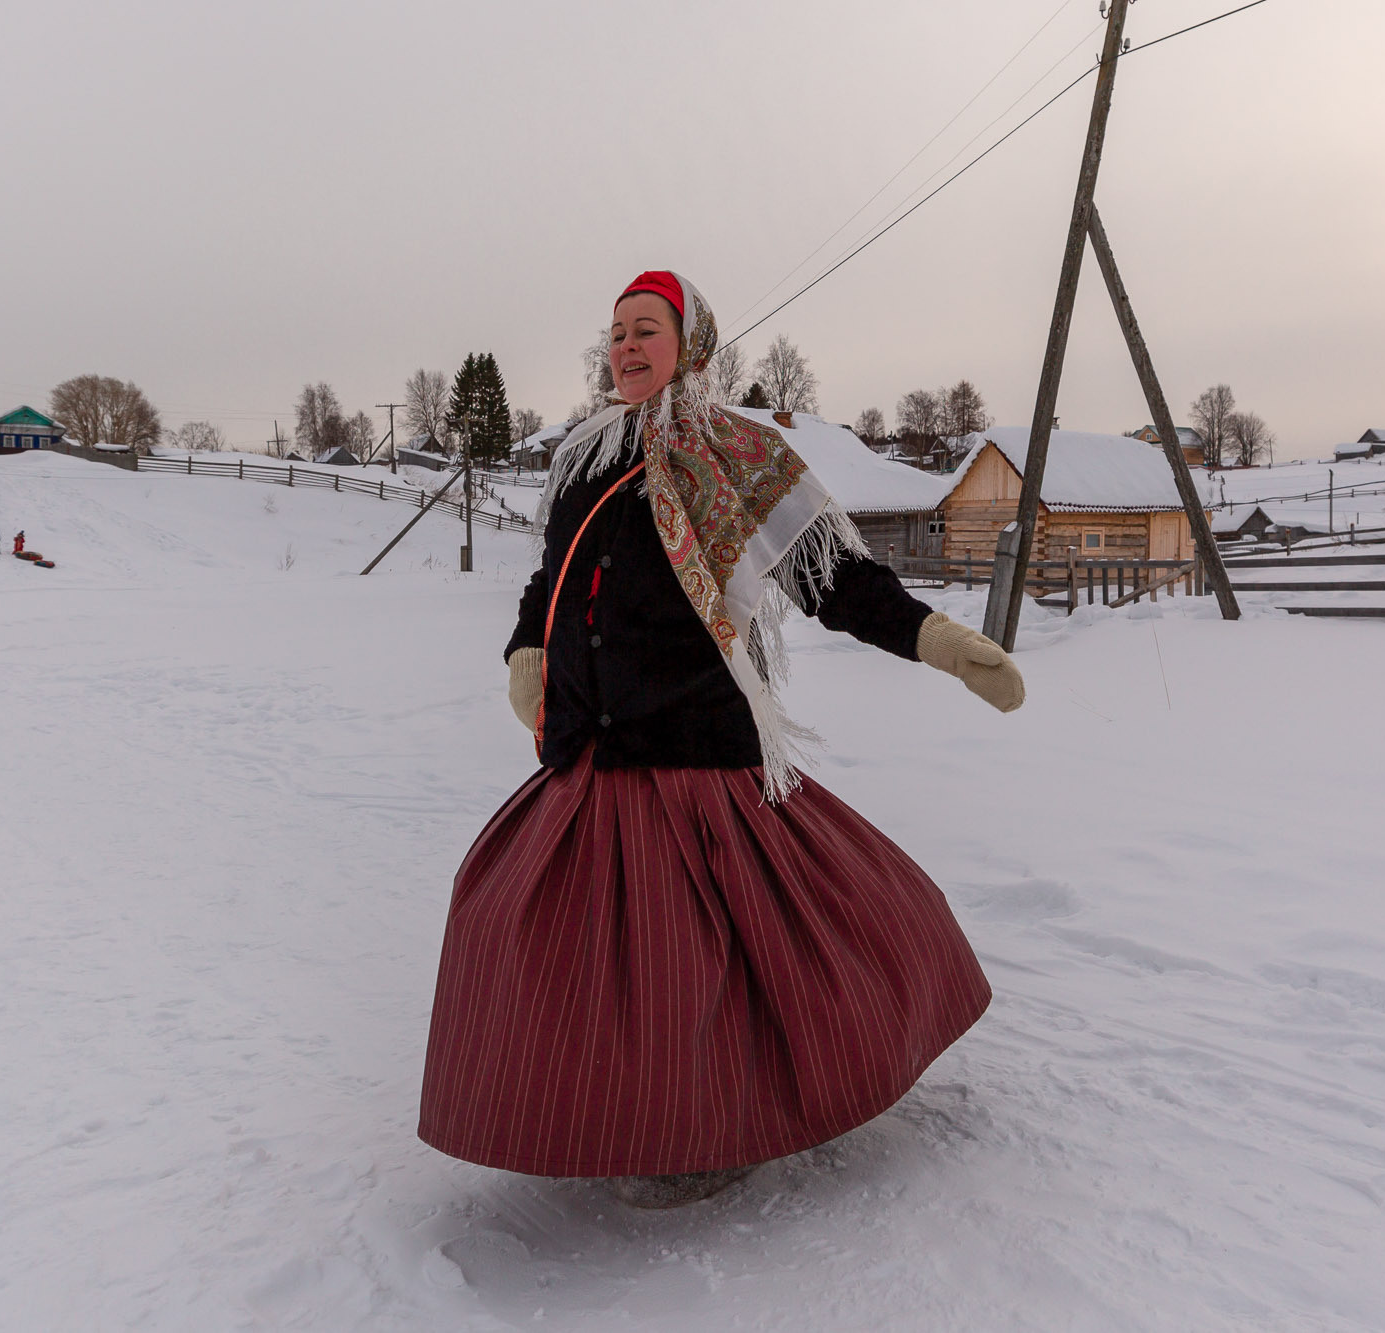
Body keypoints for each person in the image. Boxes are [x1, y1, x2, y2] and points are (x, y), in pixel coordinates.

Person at [417, 272, 1023, 1209]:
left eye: (646, 330)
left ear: (689, 345)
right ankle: (589, 1111)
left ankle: (703, 1135)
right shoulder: (582, 457)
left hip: (696, 752)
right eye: (617, 332)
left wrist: (933, 638)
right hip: (590, 755)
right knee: (532, 933)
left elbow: (833, 577)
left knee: (685, 960)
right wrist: (526, 650)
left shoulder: (739, 455)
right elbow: (552, 577)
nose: (625, 347)